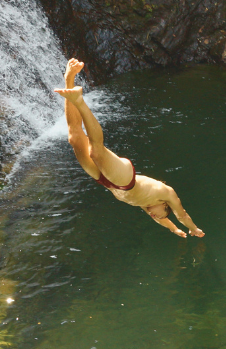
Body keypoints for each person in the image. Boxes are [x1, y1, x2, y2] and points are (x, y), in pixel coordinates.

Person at [54, 58, 205, 238]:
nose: (155, 215)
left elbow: (162, 220)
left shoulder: (145, 204)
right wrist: (193, 228)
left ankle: (69, 81)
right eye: (161, 213)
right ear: (165, 204)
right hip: (126, 179)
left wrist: (174, 230)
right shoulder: (166, 192)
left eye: (155, 217)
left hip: (105, 181)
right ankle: (79, 101)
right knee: (96, 151)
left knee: (74, 136)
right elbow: (182, 214)